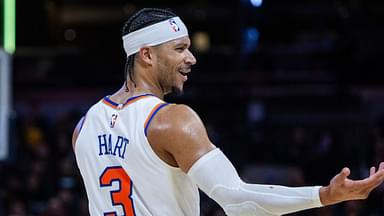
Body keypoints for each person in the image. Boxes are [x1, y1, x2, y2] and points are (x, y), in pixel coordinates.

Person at [72, 8, 384, 216]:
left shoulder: (83, 127)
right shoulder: (171, 120)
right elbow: (236, 199)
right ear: (146, 55)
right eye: (179, 49)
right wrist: (324, 195)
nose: (192, 58)